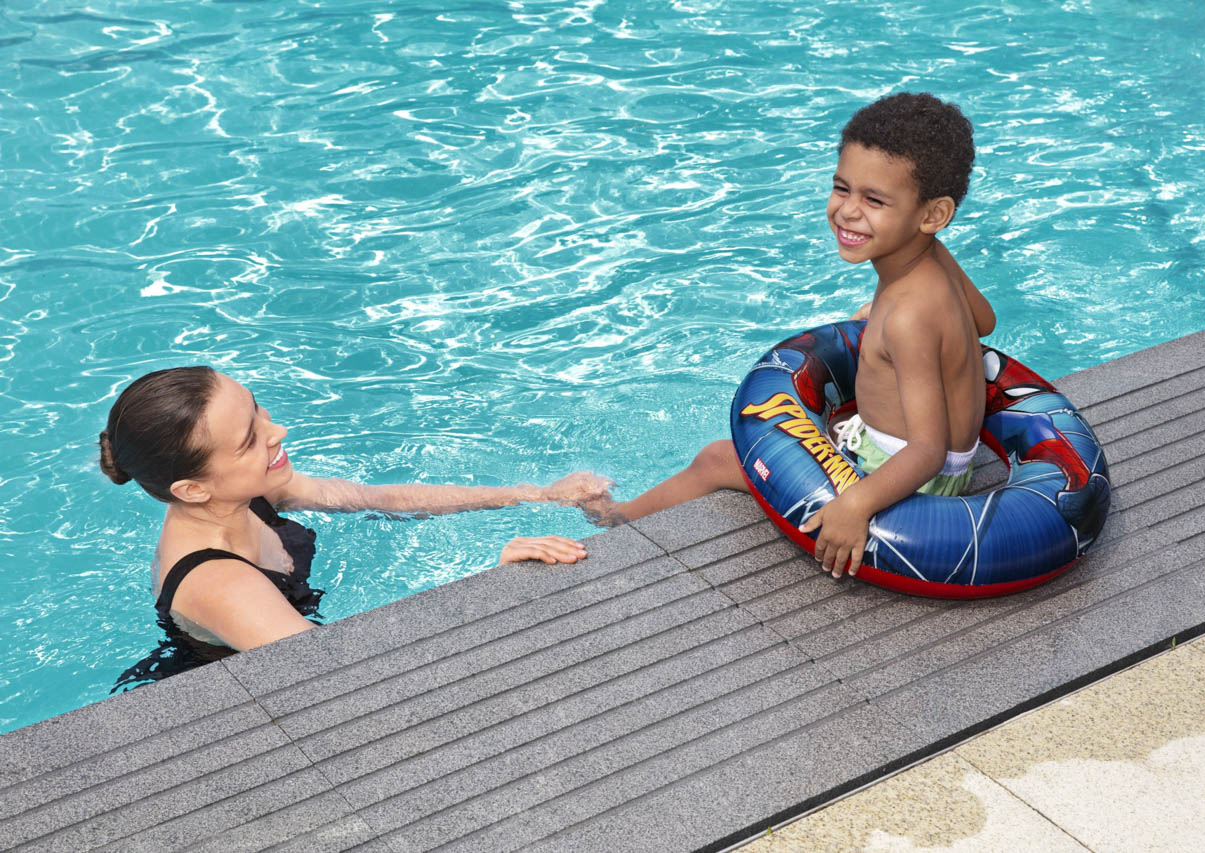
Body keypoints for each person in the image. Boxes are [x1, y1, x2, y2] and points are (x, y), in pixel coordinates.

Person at [591, 92, 996, 579]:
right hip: (932, 459)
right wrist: (884, 316)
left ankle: (615, 519)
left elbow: (926, 451)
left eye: (874, 200)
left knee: (718, 458)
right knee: (823, 419)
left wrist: (854, 506)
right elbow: (984, 322)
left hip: (911, 483)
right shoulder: (932, 263)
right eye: (842, 188)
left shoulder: (909, 317)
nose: (847, 211)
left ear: (932, 214)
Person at [99, 365, 611, 673]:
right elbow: (346, 674)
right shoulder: (220, 583)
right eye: (250, 439)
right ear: (193, 488)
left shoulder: (247, 491)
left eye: (257, 410)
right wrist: (492, 586)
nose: (277, 431)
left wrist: (534, 495)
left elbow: (380, 498)